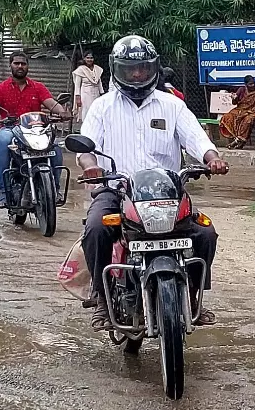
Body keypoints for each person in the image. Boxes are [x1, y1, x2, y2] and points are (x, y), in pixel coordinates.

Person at [79, 35, 229, 331]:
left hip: (168, 192)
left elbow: (197, 139)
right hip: (117, 190)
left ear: (154, 69)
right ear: (117, 70)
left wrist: (213, 158)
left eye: (143, 68)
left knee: (206, 234)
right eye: (129, 69)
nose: (137, 74)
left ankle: (195, 296)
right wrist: (91, 166)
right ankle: (100, 298)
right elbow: (86, 149)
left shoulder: (172, 106)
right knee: (96, 228)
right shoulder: (102, 106)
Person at [0, 51, 68, 197]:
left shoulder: (38, 87)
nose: (20, 66)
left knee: (55, 147)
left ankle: (54, 189)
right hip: (10, 128)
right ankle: (4, 190)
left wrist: (62, 112)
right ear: (11, 65)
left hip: (35, 130)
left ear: (27, 66)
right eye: (16, 63)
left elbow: (52, 104)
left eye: (23, 63)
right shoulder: (1, 88)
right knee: (3, 140)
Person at [218, 75, 255, 148]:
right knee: (228, 117)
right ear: (246, 85)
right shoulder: (241, 89)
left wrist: (247, 113)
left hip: (252, 112)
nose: (253, 85)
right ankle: (237, 139)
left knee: (248, 120)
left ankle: (238, 141)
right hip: (240, 109)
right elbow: (234, 102)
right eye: (250, 84)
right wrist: (234, 98)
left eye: (254, 83)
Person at [72, 51, 105, 124]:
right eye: (88, 58)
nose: (89, 60)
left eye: (91, 58)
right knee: (86, 114)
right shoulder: (80, 70)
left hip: (96, 94)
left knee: (96, 113)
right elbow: (77, 86)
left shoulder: (97, 69)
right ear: (84, 59)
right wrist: (78, 98)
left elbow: (99, 83)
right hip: (85, 95)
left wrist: (102, 95)